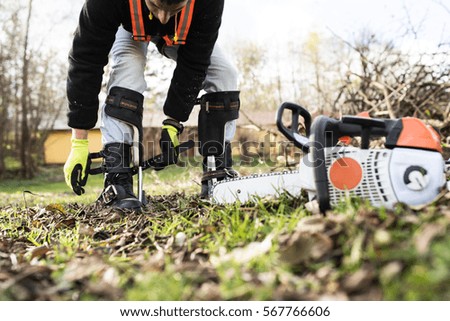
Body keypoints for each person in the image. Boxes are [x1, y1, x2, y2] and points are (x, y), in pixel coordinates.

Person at [63, 0, 240, 211]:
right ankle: (117, 179)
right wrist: (79, 142)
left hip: (184, 30)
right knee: (129, 69)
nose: (162, 17)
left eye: (173, 9)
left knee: (225, 73)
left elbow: (195, 62)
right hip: (127, 24)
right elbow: (85, 62)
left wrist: (173, 122)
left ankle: (217, 173)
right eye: (156, 6)